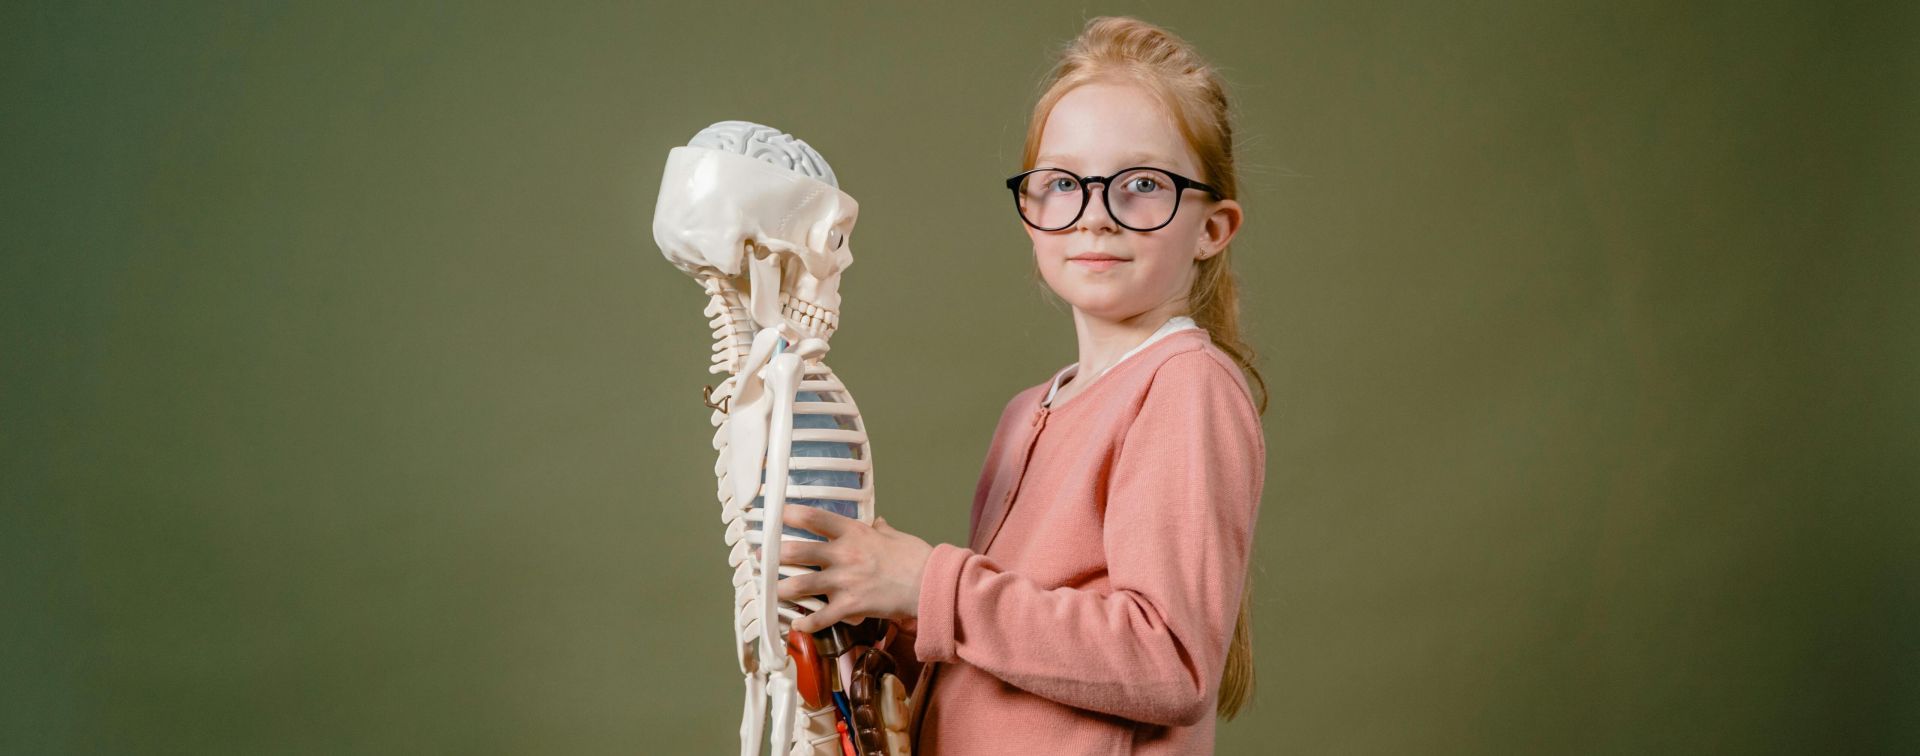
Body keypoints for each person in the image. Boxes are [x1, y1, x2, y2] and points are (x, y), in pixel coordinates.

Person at [775, 16, 1267, 754]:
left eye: (1140, 186)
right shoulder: (1027, 414)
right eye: (1064, 183)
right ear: (1032, 212)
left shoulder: (1185, 387)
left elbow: (1168, 661)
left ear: (1212, 228)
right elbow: (1018, 658)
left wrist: (930, 585)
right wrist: (890, 620)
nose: (1095, 216)